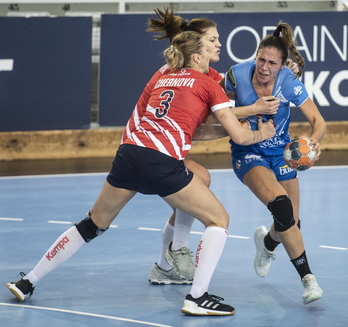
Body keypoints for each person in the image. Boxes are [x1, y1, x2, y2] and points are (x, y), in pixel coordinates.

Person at [6, 31, 276, 315]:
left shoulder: (163, 76)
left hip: (129, 154)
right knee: (218, 219)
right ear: (197, 57)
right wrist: (261, 133)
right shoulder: (207, 85)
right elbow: (239, 137)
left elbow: (186, 124)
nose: (215, 47)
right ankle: (197, 296)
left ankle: (27, 282)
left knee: (92, 224)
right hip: (161, 161)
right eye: (210, 44)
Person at [142, 8, 300, 285]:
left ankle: (163, 265)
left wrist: (285, 72)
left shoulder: (205, 73)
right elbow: (219, 114)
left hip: (161, 148)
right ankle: (178, 253)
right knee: (198, 189)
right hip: (152, 148)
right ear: (197, 45)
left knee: (195, 186)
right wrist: (253, 112)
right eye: (213, 39)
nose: (219, 44)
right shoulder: (180, 75)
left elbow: (224, 108)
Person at [221, 21, 327, 305]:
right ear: (255, 56)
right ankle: (308, 279)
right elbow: (216, 108)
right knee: (281, 207)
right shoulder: (236, 75)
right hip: (248, 152)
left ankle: (266, 244)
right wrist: (249, 113)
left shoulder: (289, 83)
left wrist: (313, 143)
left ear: (283, 65)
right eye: (261, 59)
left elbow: (319, 122)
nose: (264, 67)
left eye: (272, 63)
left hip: (282, 154)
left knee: (291, 222)